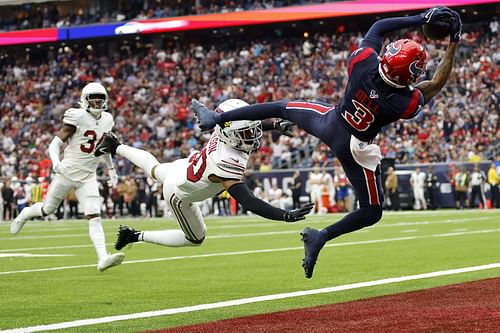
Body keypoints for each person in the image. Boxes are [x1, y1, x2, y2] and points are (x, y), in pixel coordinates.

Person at [192, 7, 462, 278]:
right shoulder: (404, 102)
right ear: (409, 75)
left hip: (330, 121)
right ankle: (321, 236)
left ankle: (216, 117)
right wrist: (454, 41)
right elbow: (436, 82)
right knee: (371, 212)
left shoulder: (362, 63)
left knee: (282, 107)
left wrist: (419, 19)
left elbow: (379, 27)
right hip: (354, 146)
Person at [93, 99, 314, 251]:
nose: (254, 135)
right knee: (196, 239)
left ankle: (115, 146)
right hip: (179, 193)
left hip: (183, 168)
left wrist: (273, 124)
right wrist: (284, 215)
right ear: (232, 134)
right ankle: (135, 235)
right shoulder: (227, 160)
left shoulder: (224, 131)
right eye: (248, 133)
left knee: (153, 167)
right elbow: (249, 201)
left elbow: (242, 122)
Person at [10, 82, 125, 272]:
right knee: (48, 210)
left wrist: (111, 169)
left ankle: (103, 257)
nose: (97, 102)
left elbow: (104, 147)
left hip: (88, 176)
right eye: (93, 98)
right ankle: (25, 214)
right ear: (85, 100)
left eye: (100, 98)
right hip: (67, 172)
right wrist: (56, 162)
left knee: (95, 216)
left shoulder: (107, 119)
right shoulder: (77, 117)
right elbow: (54, 144)